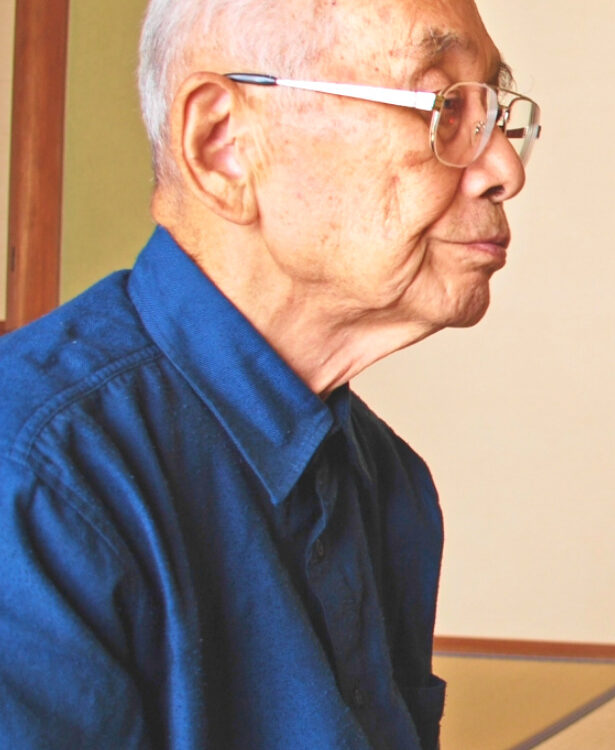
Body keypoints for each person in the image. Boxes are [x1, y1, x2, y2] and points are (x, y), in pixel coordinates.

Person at [0, 0, 537, 746]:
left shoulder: (390, 482)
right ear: (223, 146)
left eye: (493, 113)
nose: (504, 168)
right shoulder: (35, 485)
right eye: (442, 103)